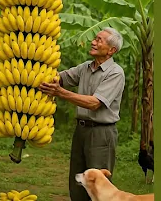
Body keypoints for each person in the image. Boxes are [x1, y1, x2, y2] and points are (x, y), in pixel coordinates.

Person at [39, 28, 126, 201]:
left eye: (99, 40)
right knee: (78, 181)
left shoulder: (115, 73)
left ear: (111, 50)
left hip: (101, 133)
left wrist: (61, 93)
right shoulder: (85, 68)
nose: (93, 42)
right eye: (95, 38)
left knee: (99, 185)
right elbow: (60, 78)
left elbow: (94, 103)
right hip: (81, 131)